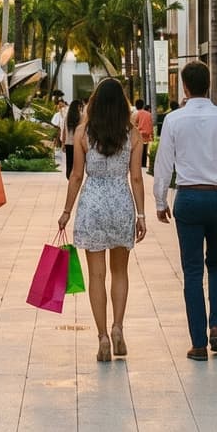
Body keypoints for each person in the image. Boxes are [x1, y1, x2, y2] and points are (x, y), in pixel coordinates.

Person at [152, 60, 217, 361]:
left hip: (189, 199)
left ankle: (198, 343)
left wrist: (160, 201)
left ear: (184, 87)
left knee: (193, 271)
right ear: (208, 84)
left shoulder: (173, 120)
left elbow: (163, 164)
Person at [58, 79, 147, 361]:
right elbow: (135, 177)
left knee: (97, 275)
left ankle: (103, 338)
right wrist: (141, 214)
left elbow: (76, 176)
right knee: (120, 272)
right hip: (121, 203)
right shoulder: (132, 135)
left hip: (93, 204)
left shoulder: (84, 132)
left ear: (94, 103)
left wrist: (66, 212)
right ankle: (118, 327)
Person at [133, 100, 155, 171]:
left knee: (138, 151)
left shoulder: (136, 114)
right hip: (147, 135)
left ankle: (140, 165)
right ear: (143, 105)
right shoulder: (148, 114)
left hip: (139, 135)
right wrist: (152, 135)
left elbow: (133, 125)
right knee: (145, 149)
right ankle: (144, 165)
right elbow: (151, 125)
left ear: (136, 106)